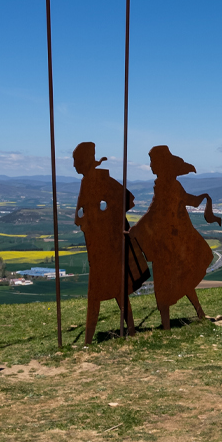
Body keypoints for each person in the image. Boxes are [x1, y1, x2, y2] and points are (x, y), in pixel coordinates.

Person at [130, 146, 220, 330]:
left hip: (166, 244)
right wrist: (204, 199)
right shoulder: (172, 185)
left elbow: (153, 212)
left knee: (164, 283)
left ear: (161, 163)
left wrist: (135, 230)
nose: (150, 166)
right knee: (182, 277)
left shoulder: (165, 186)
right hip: (175, 242)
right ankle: (198, 314)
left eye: (152, 162)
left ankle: (167, 325)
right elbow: (190, 201)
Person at [72, 142, 147, 344]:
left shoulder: (100, 180)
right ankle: (130, 330)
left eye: (76, 160)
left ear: (84, 161)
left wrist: (105, 219)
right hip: (99, 246)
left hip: (106, 247)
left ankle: (89, 340)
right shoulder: (88, 181)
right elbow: (79, 217)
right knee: (117, 292)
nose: (74, 165)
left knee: (101, 293)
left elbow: (128, 200)